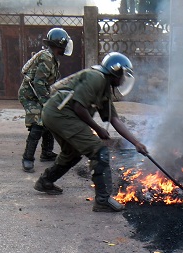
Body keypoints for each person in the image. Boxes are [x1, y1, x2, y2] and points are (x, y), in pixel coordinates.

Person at [33, 52, 148, 212]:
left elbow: (115, 120)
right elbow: (79, 107)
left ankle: (45, 181)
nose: (123, 81)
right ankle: (102, 200)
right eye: (123, 76)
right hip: (61, 114)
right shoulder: (97, 78)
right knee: (98, 150)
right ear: (115, 71)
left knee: (72, 153)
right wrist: (98, 128)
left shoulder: (105, 89)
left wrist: (136, 143)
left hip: (55, 114)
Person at [19, 27, 73, 173]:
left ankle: (46, 153)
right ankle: (27, 159)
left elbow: (48, 83)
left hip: (39, 93)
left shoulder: (52, 59)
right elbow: (38, 83)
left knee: (49, 120)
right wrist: (47, 102)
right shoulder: (47, 58)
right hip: (30, 95)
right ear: (59, 45)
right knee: (38, 123)